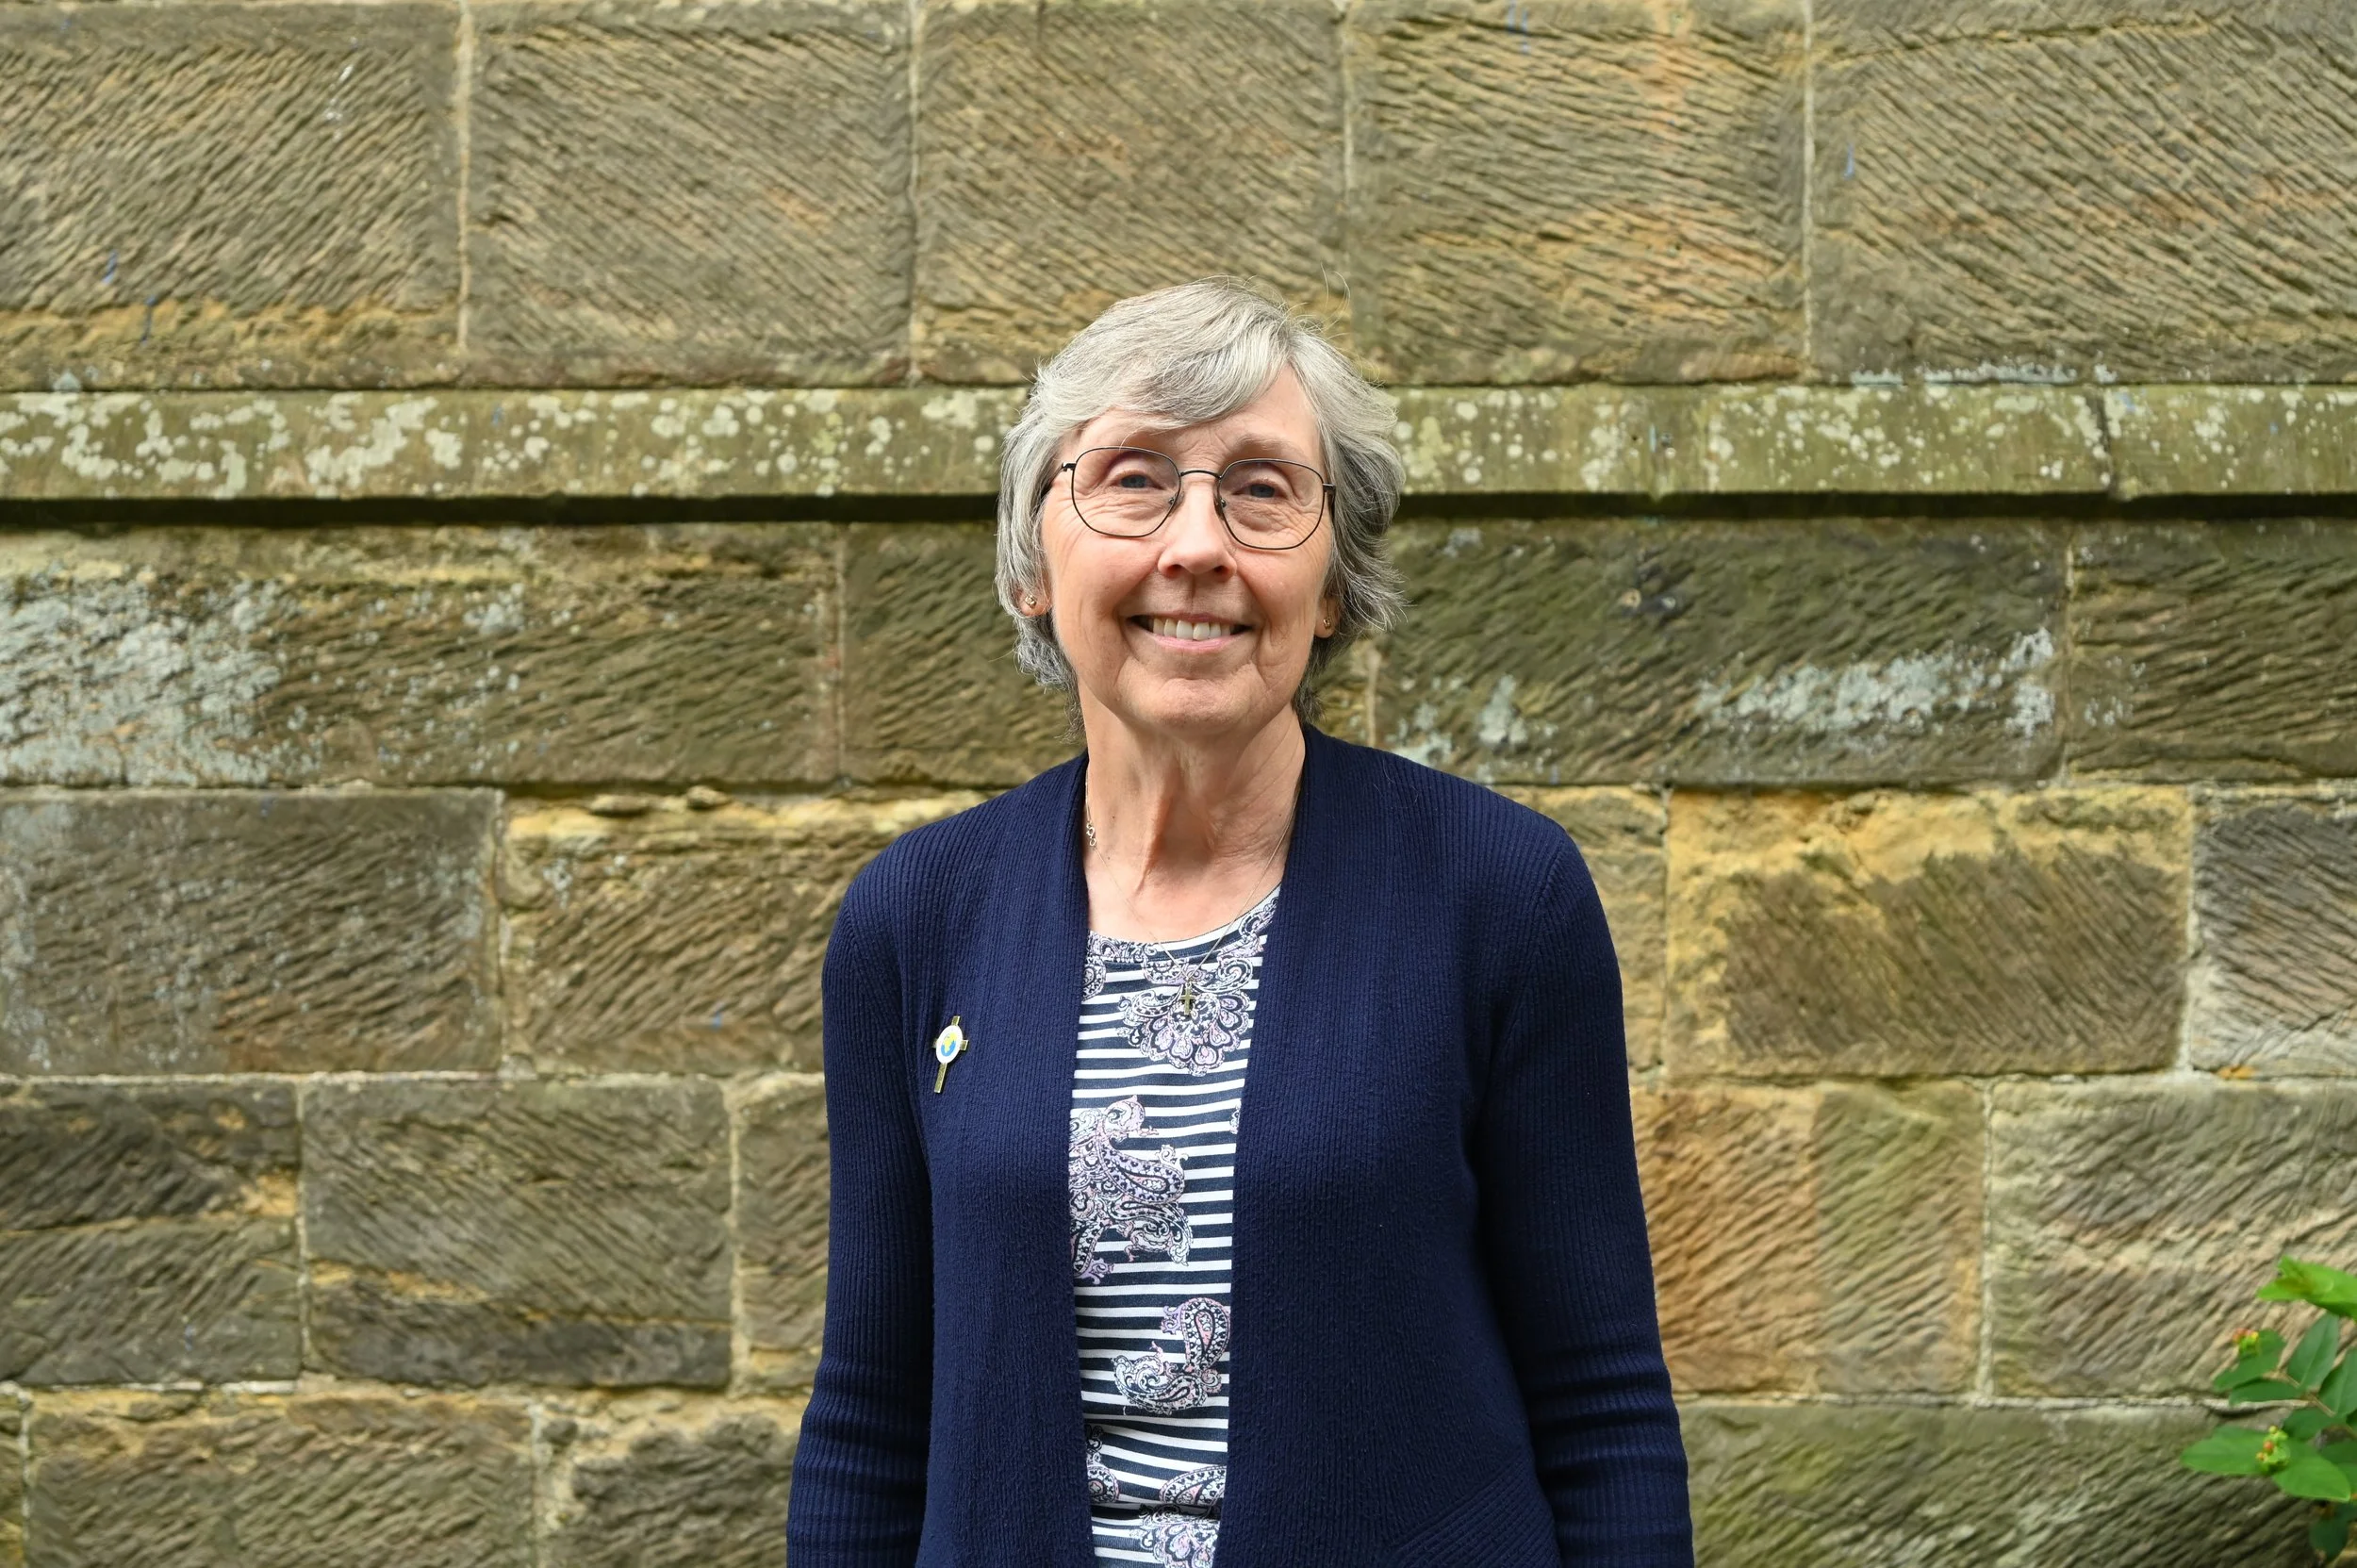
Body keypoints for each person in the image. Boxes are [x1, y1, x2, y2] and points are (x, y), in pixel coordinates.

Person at [786, 277, 1691, 1567]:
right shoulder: (918, 918)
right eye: (1136, 480)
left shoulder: (1500, 894)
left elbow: (1601, 1406)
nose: (1198, 542)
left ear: (1331, 584)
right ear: (1040, 565)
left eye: (1261, 489)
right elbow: (872, 1420)